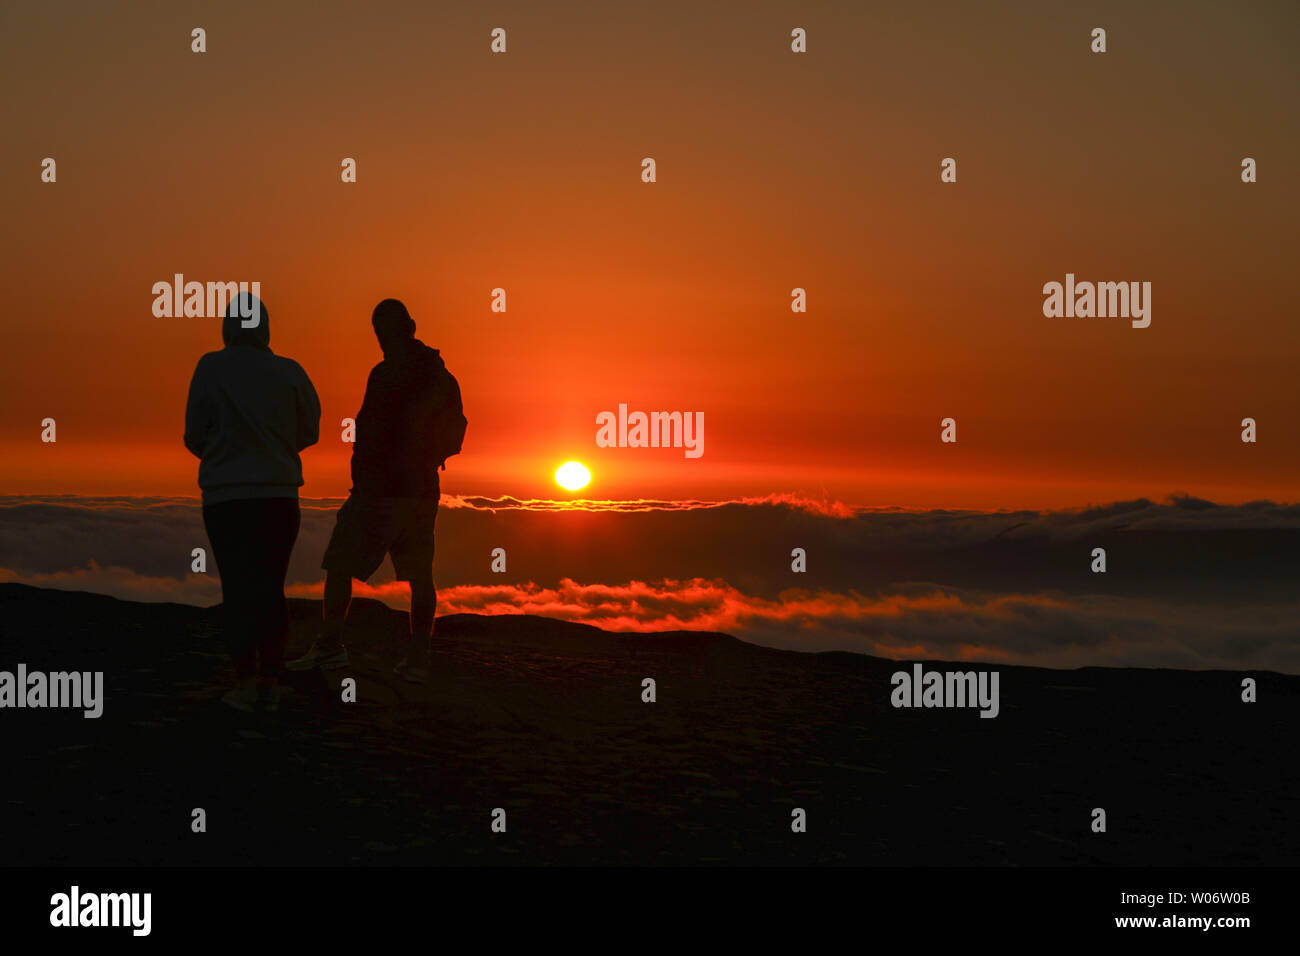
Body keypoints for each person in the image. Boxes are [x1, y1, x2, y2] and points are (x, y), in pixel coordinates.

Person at [288, 298, 465, 683]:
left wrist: (374, 471)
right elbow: (456, 433)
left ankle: (330, 647)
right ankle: (418, 660)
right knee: (420, 574)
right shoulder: (441, 376)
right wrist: (425, 460)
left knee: (340, 563)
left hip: (379, 492)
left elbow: (369, 431)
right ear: (411, 326)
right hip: (421, 492)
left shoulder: (385, 374)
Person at [184, 293, 321, 712]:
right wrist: (276, 450)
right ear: (265, 328)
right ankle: (270, 682)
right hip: (279, 496)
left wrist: (223, 453)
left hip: (225, 499)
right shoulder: (290, 372)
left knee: (237, 589)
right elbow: (310, 431)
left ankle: (244, 683)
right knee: (271, 588)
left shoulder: (210, 367)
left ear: (228, 327)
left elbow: (193, 434)